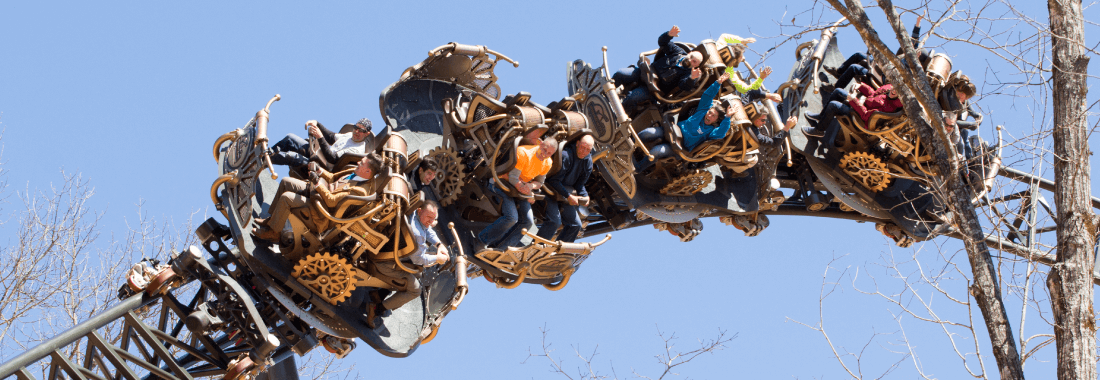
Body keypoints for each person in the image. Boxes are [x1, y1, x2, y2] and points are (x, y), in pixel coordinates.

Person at [252, 153, 383, 242]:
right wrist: (319, 170)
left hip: (321, 213)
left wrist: (317, 183)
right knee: (286, 181)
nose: (359, 162)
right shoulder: (355, 171)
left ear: (367, 172)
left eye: (362, 163)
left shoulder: (360, 191)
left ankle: (274, 233)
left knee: (287, 198)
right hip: (317, 195)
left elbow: (331, 202)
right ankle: (272, 220)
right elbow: (333, 178)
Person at [364, 200, 449, 328]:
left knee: (418, 274)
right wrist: (437, 258)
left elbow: (428, 229)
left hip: (384, 251)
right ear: (420, 211)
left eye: (433, 218)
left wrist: (439, 244)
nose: (431, 221)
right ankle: (376, 309)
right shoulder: (418, 235)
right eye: (428, 217)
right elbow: (419, 260)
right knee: (415, 290)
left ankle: (379, 294)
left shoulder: (414, 212)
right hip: (383, 264)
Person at [636, 71, 738, 171]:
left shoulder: (711, 131)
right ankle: (630, 145)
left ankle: (637, 168)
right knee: (647, 133)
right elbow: (707, 96)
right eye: (710, 112)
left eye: (713, 116)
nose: (709, 115)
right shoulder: (702, 112)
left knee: (656, 152)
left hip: (678, 147)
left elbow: (721, 133)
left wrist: (727, 117)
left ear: (716, 119)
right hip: (671, 131)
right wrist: (718, 83)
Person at [477, 138, 558, 250]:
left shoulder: (548, 163)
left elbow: (539, 182)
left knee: (528, 221)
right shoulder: (524, 153)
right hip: (502, 184)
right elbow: (513, 178)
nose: (545, 155)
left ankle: (501, 248)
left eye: (549, 153)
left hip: (519, 190)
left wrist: (530, 187)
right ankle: (480, 240)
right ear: (540, 143)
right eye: (544, 150)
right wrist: (526, 190)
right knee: (511, 218)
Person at [613, 25, 704, 110]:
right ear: (689, 53)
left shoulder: (688, 74)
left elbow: (684, 86)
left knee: (632, 97)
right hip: (645, 72)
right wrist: (668, 35)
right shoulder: (678, 52)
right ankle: (605, 93)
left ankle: (616, 113)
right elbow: (663, 43)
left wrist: (692, 78)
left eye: (694, 61)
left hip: (653, 89)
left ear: (696, 65)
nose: (691, 60)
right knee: (620, 73)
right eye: (691, 57)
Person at [537, 135, 594, 243]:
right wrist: (568, 196)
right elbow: (553, 180)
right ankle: (536, 248)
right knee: (554, 221)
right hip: (551, 190)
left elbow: (580, 185)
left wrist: (585, 195)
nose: (584, 152)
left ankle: (558, 253)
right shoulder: (566, 155)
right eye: (582, 147)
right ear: (577, 144)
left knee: (576, 225)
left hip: (566, 194)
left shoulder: (588, 162)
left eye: (588, 150)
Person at [269, 118, 374, 174]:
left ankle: (265, 160)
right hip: (319, 154)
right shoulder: (349, 135)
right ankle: (266, 154)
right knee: (290, 138)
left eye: (361, 130)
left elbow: (332, 158)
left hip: (323, 167)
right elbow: (331, 136)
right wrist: (317, 123)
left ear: (367, 134)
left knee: (290, 156)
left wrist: (319, 137)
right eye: (356, 127)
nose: (356, 131)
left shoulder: (357, 150)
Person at [802, 83, 903, 138]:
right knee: (837, 91)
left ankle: (819, 130)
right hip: (861, 106)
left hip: (861, 119)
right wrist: (860, 86)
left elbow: (867, 115)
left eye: (898, 91)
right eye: (895, 87)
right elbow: (873, 94)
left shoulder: (890, 107)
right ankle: (821, 116)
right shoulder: (889, 89)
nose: (894, 91)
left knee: (833, 105)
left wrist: (853, 100)